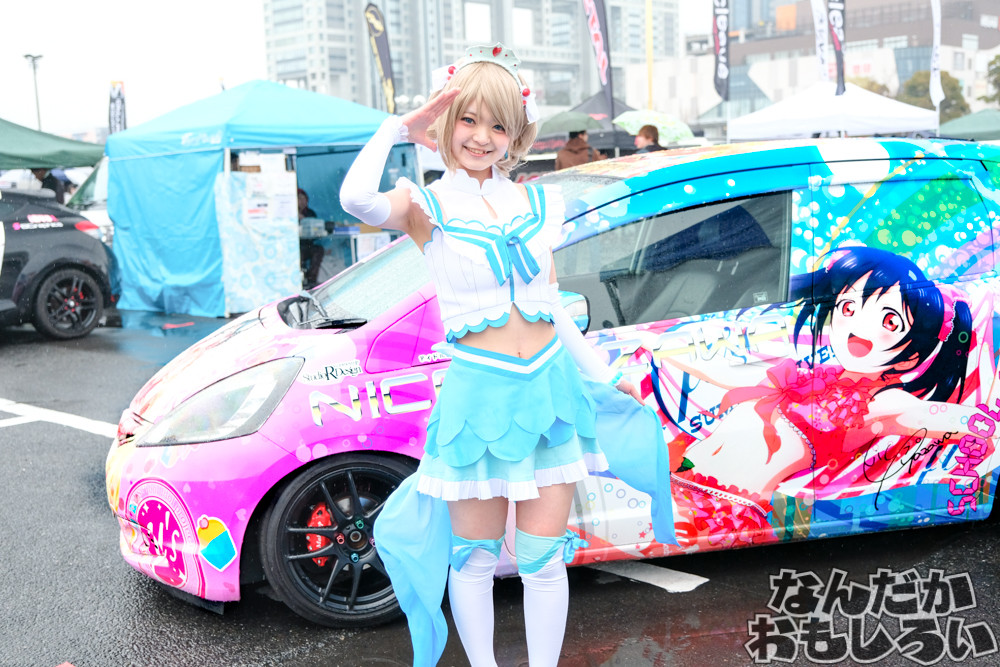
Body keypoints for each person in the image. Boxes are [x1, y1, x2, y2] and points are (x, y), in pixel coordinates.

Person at [340, 43, 672, 666]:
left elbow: (551, 308)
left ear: (516, 133)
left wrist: (606, 376)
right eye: (468, 119)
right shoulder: (426, 206)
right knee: (475, 560)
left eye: (498, 124)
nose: (481, 137)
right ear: (445, 121)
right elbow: (356, 201)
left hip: (549, 397)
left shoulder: (535, 204)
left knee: (545, 560)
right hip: (479, 404)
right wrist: (396, 130)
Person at [654, 246, 981, 547]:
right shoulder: (805, 373)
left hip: (718, 510)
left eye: (889, 320)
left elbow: (945, 418)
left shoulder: (882, 402)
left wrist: (981, 428)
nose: (859, 327)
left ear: (911, 358)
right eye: (849, 307)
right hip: (674, 481)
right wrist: (654, 347)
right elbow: (730, 376)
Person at [297, 188, 325, 288]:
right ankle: (298, 280)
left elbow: (316, 229)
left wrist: (305, 220)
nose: (302, 201)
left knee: (318, 250)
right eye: (299, 198)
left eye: (304, 199)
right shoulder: (291, 214)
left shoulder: (310, 213)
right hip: (297, 246)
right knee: (298, 254)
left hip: (308, 245)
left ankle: (311, 279)